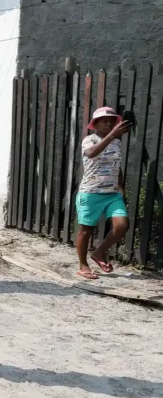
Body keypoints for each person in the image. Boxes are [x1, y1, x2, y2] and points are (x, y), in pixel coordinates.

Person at [75, 107, 131, 279]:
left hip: (112, 193)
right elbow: (92, 153)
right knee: (86, 230)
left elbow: (117, 167)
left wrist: (121, 190)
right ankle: (83, 265)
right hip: (91, 192)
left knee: (122, 225)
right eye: (104, 120)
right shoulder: (89, 140)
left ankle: (99, 252)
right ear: (95, 124)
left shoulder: (117, 142)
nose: (108, 123)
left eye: (112, 120)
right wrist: (112, 134)